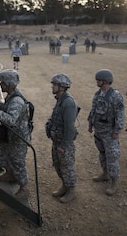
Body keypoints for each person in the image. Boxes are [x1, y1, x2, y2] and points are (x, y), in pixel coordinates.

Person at [0, 69, 31, 200]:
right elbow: (6, 108)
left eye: (2, 83)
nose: (0, 85)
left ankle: (24, 188)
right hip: (9, 135)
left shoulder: (17, 101)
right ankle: (10, 173)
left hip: (18, 138)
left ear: (9, 84)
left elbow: (10, 120)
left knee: (18, 162)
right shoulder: (12, 96)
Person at [87, 69, 124, 196]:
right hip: (99, 132)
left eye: (99, 80)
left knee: (112, 157)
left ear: (106, 81)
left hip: (109, 133)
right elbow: (93, 110)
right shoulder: (98, 94)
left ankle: (114, 182)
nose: (97, 81)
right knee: (102, 154)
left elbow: (120, 114)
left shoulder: (115, 95)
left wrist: (117, 131)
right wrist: (90, 124)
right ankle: (105, 174)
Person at [45, 74, 78, 203]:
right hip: (56, 140)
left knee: (66, 166)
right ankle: (65, 186)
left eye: (55, 85)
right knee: (58, 165)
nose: (52, 86)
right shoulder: (60, 99)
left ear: (62, 87)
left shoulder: (68, 102)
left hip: (64, 143)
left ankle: (71, 191)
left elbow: (70, 128)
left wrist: (63, 146)